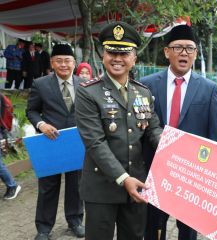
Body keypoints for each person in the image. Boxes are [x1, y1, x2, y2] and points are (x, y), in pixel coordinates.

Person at [74, 22, 162, 240]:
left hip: (137, 185)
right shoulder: (88, 93)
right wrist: (124, 178)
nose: (117, 59)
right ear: (103, 55)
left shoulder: (143, 92)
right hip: (101, 188)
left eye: (124, 54)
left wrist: (178, 156)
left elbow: (154, 131)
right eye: (112, 52)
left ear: (134, 59)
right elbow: (95, 142)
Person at [141, 24, 217, 240]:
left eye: (189, 48)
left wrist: (206, 177)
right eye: (178, 48)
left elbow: (215, 140)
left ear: (195, 54)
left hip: (190, 175)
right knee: (153, 227)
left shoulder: (209, 89)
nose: (184, 53)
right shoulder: (146, 85)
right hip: (155, 171)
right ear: (167, 52)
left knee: (187, 231)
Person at [26, 43, 84, 240]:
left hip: (76, 142)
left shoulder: (84, 84)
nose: (63, 64)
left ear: (74, 63)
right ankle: (44, 228)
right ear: (52, 62)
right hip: (51, 142)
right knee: (48, 186)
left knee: (76, 185)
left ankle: (75, 221)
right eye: (59, 60)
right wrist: (41, 124)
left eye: (67, 60)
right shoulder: (40, 84)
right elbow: (31, 110)